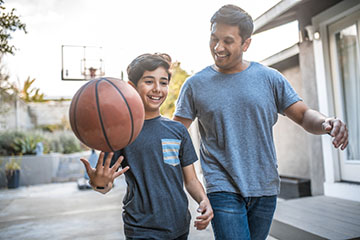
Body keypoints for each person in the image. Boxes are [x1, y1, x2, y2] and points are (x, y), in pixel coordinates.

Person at [173, 4, 348, 240]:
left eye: (227, 40)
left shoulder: (270, 78)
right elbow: (176, 136)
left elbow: (304, 115)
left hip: (264, 186)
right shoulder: (195, 85)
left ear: (246, 43)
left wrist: (327, 122)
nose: (217, 47)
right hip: (221, 187)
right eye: (213, 38)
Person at [80, 53, 213, 239]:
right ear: (131, 87)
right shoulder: (121, 133)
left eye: (164, 82)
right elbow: (105, 184)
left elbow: (190, 180)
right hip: (141, 228)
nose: (158, 89)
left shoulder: (178, 131)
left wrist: (203, 199)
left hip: (179, 226)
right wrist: (98, 182)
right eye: (149, 82)